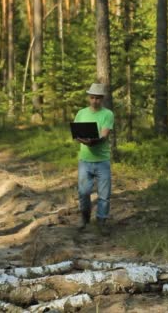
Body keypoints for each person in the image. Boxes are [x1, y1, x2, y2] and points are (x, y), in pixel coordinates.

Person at [74, 83, 114, 235]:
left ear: (102, 99)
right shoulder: (81, 113)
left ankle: (102, 222)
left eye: (97, 98)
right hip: (85, 160)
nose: (94, 101)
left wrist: (93, 141)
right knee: (84, 192)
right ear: (88, 98)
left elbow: (104, 135)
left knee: (104, 195)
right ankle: (84, 219)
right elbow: (76, 132)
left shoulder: (107, 114)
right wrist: (81, 139)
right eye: (92, 98)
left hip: (102, 160)